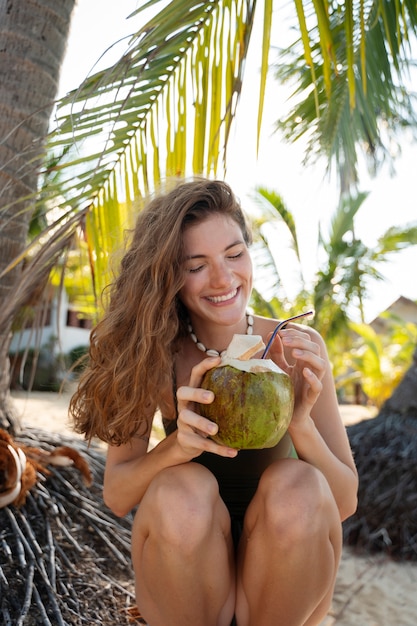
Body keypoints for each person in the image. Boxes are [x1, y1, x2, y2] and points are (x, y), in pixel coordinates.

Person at [69, 178, 358, 626]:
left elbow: (342, 502)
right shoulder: (153, 354)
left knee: (298, 485)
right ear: (168, 273)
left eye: (234, 254)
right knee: (180, 490)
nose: (223, 278)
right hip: (188, 577)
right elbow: (118, 495)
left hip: (285, 581)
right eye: (196, 264)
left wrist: (299, 421)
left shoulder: (297, 347)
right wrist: (177, 448)